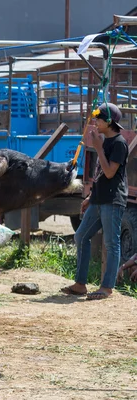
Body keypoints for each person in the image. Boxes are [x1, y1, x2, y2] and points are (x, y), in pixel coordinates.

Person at [61, 103, 128, 300]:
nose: (95, 123)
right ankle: (80, 284)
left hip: (113, 200)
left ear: (109, 122)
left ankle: (107, 287)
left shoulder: (118, 144)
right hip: (99, 199)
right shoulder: (105, 140)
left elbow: (109, 172)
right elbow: (100, 175)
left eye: (98, 119)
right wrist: (91, 197)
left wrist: (98, 148)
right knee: (81, 236)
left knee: (111, 243)